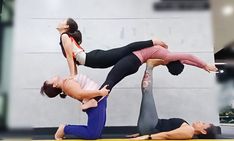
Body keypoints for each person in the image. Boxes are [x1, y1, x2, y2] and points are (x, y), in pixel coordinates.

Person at [57, 18, 218, 110]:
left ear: (174, 62)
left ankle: (94, 100)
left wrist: (205, 65)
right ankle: (94, 99)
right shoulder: (169, 58)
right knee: (111, 77)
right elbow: (187, 60)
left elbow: (188, 56)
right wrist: (201, 66)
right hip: (131, 60)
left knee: (111, 78)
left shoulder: (168, 56)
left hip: (132, 60)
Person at [130, 59, 218, 140]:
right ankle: (150, 66)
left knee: (147, 93)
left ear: (203, 131)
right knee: (147, 93)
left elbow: (166, 135)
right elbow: (168, 132)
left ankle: (150, 66)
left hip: (151, 126)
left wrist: (146, 136)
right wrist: (142, 133)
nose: (200, 121)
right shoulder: (187, 129)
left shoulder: (189, 131)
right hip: (151, 125)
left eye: (203, 124)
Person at [40, 74, 110, 140]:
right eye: (50, 80)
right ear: (54, 85)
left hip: (97, 101)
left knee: (96, 134)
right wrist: (100, 93)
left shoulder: (67, 81)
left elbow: (73, 68)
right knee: (92, 134)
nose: (51, 77)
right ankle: (64, 129)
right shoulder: (67, 85)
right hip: (96, 102)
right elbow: (81, 94)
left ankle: (65, 128)